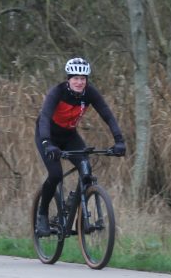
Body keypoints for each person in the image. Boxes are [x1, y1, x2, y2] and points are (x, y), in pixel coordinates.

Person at [34, 57, 126, 235]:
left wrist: (119, 141)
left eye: (83, 79)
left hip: (69, 136)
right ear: (69, 79)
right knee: (55, 174)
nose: (79, 82)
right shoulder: (57, 92)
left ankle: (75, 206)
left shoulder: (90, 93)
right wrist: (47, 143)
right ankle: (42, 214)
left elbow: (107, 115)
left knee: (86, 169)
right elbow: (44, 118)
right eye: (75, 78)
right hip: (47, 136)